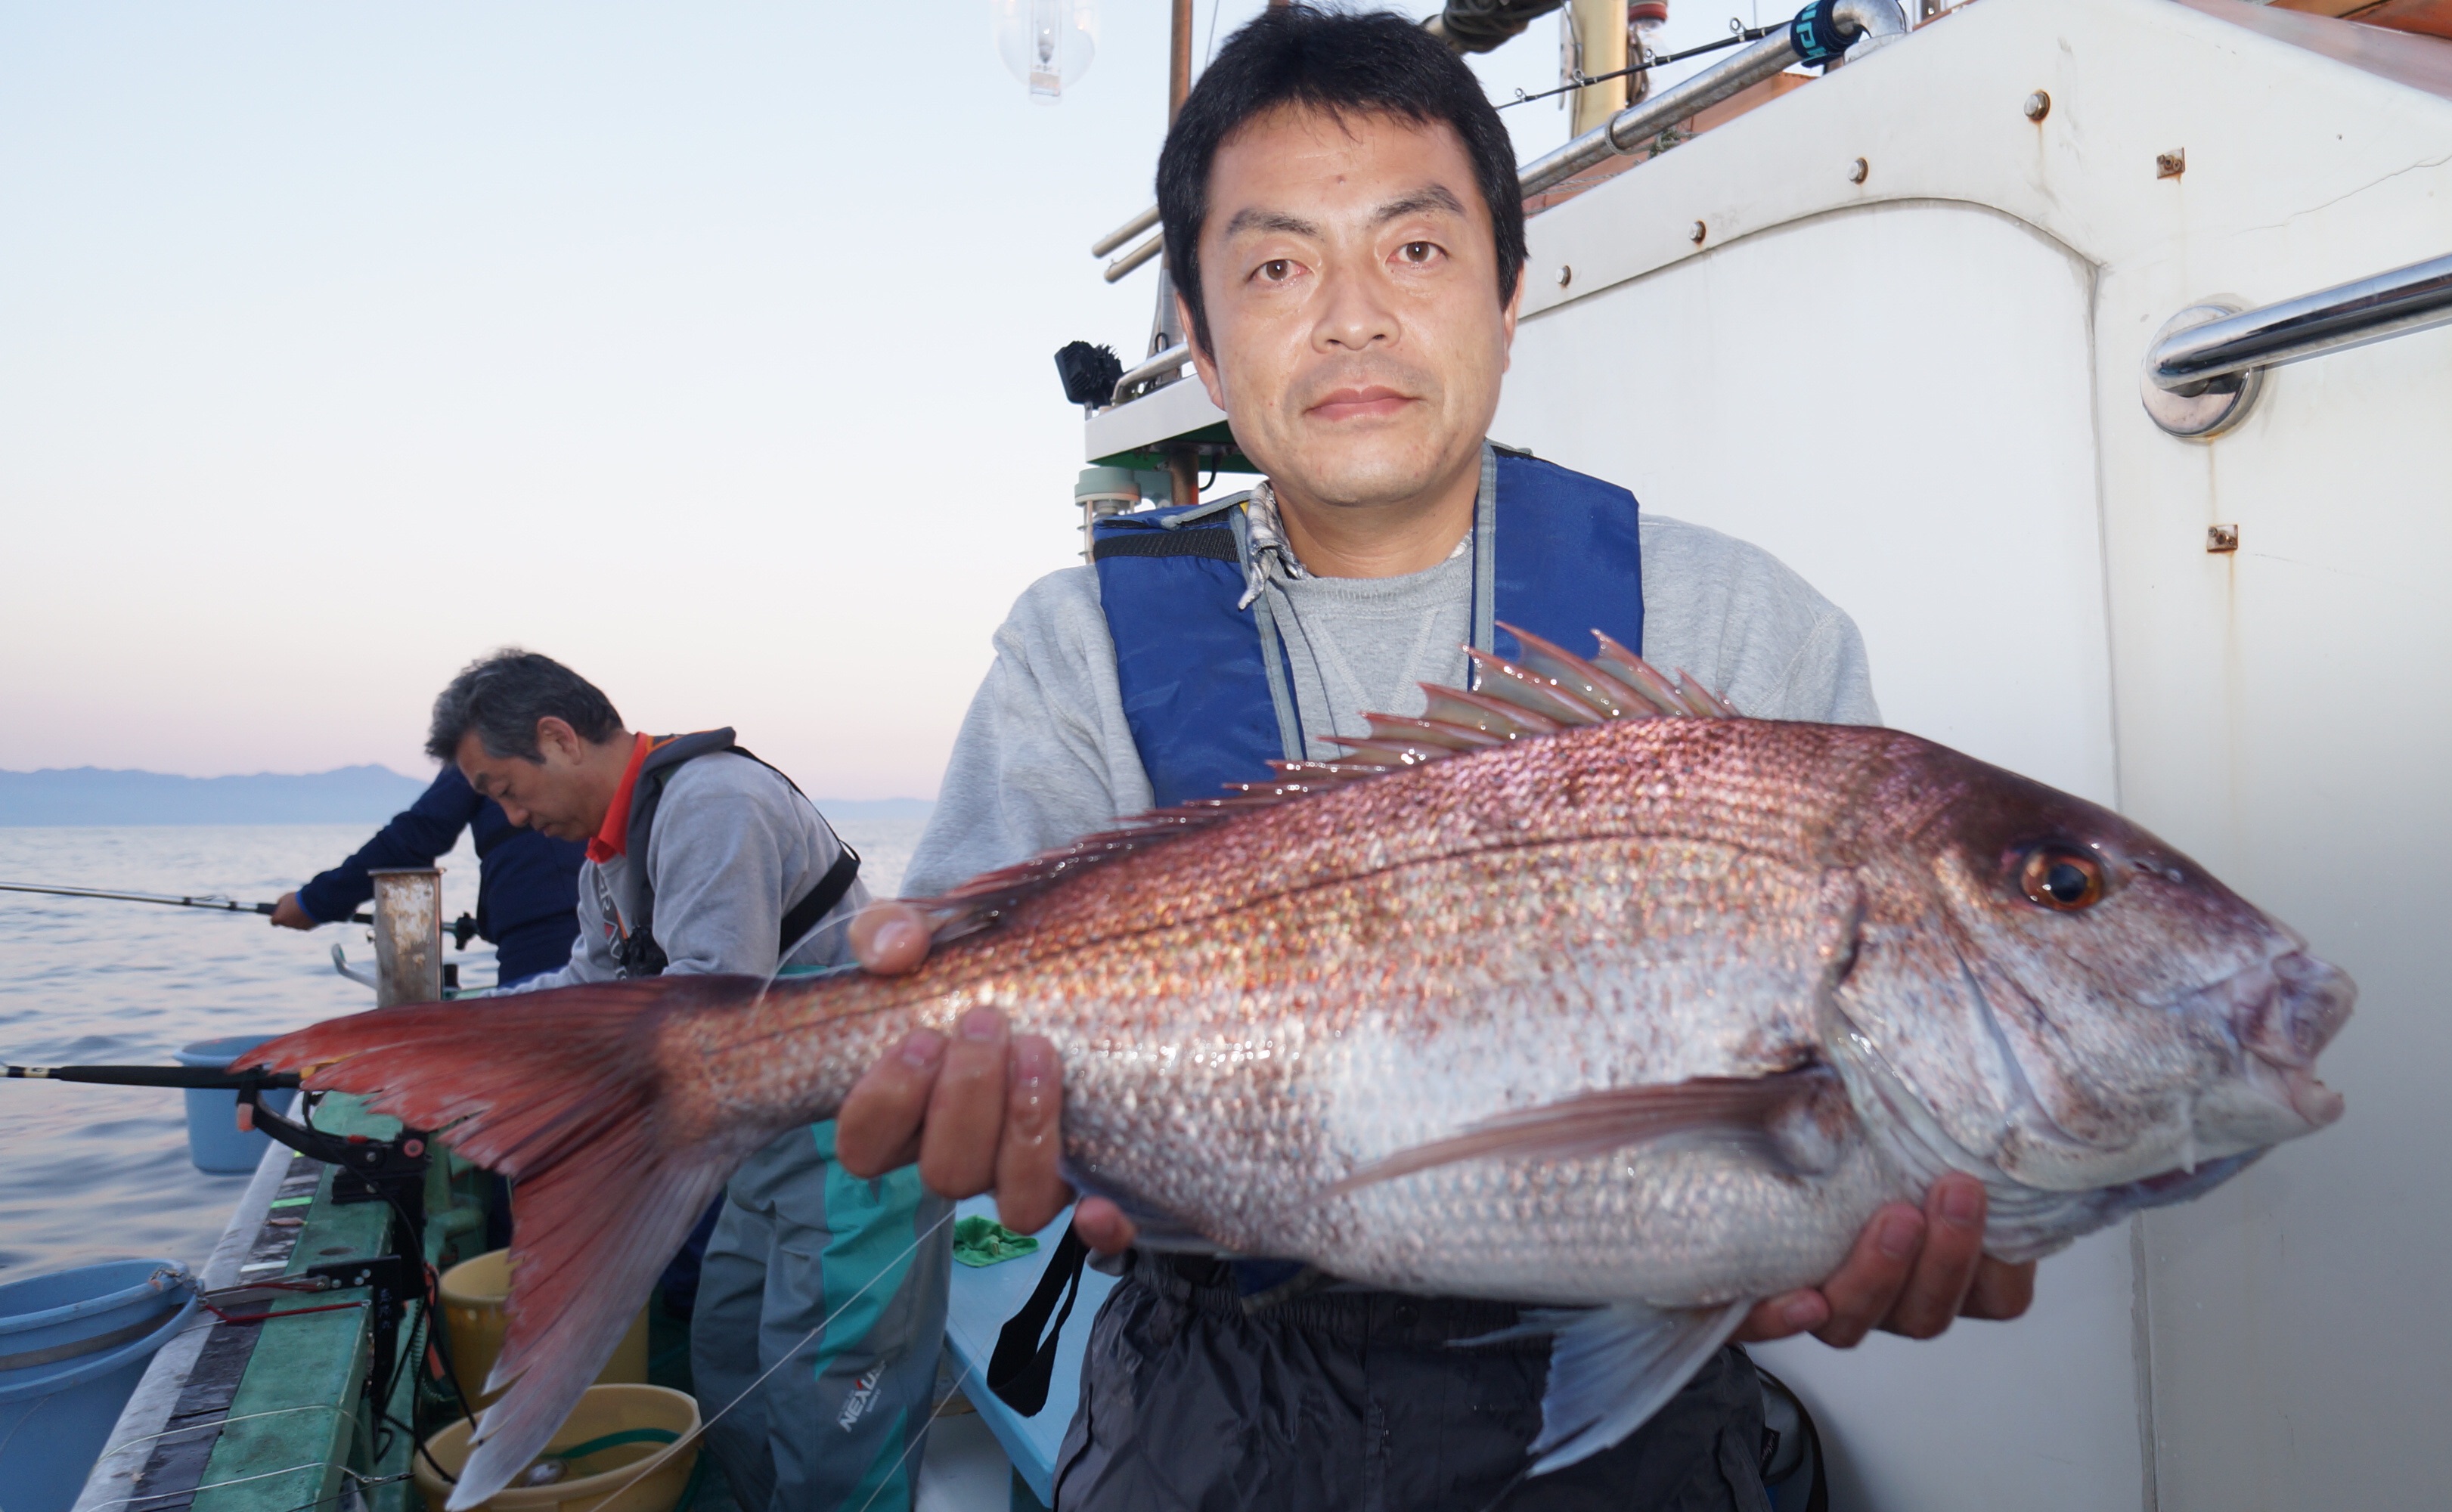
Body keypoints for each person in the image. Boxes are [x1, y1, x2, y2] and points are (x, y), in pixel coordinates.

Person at [829, 9, 2034, 1509]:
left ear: (1509, 294)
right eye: (1277, 267)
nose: (1351, 318)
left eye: (1413, 248)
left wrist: (1847, 1207)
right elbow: (953, 1019)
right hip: (1202, 1406)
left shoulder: (1744, 628)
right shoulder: (1074, 646)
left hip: (1638, 1428)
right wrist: (933, 1069)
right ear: (1198, 338)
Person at [425, 649, 947, 1512]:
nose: (512, 818)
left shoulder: (713, 802)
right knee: (728, 1356)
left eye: (506, 788)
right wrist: (451, 1035)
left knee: (827, 1403)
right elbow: (590, 985)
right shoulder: (607, 859)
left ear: (558, 738)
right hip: (760, 1143)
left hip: (852, 1137)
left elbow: (712, 1000)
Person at [271, 763, 586, 986]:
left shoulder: (490, 734)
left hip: (542, 937)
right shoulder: (583, 726)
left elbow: (417, 835)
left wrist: (312, 903)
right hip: (602, 924)